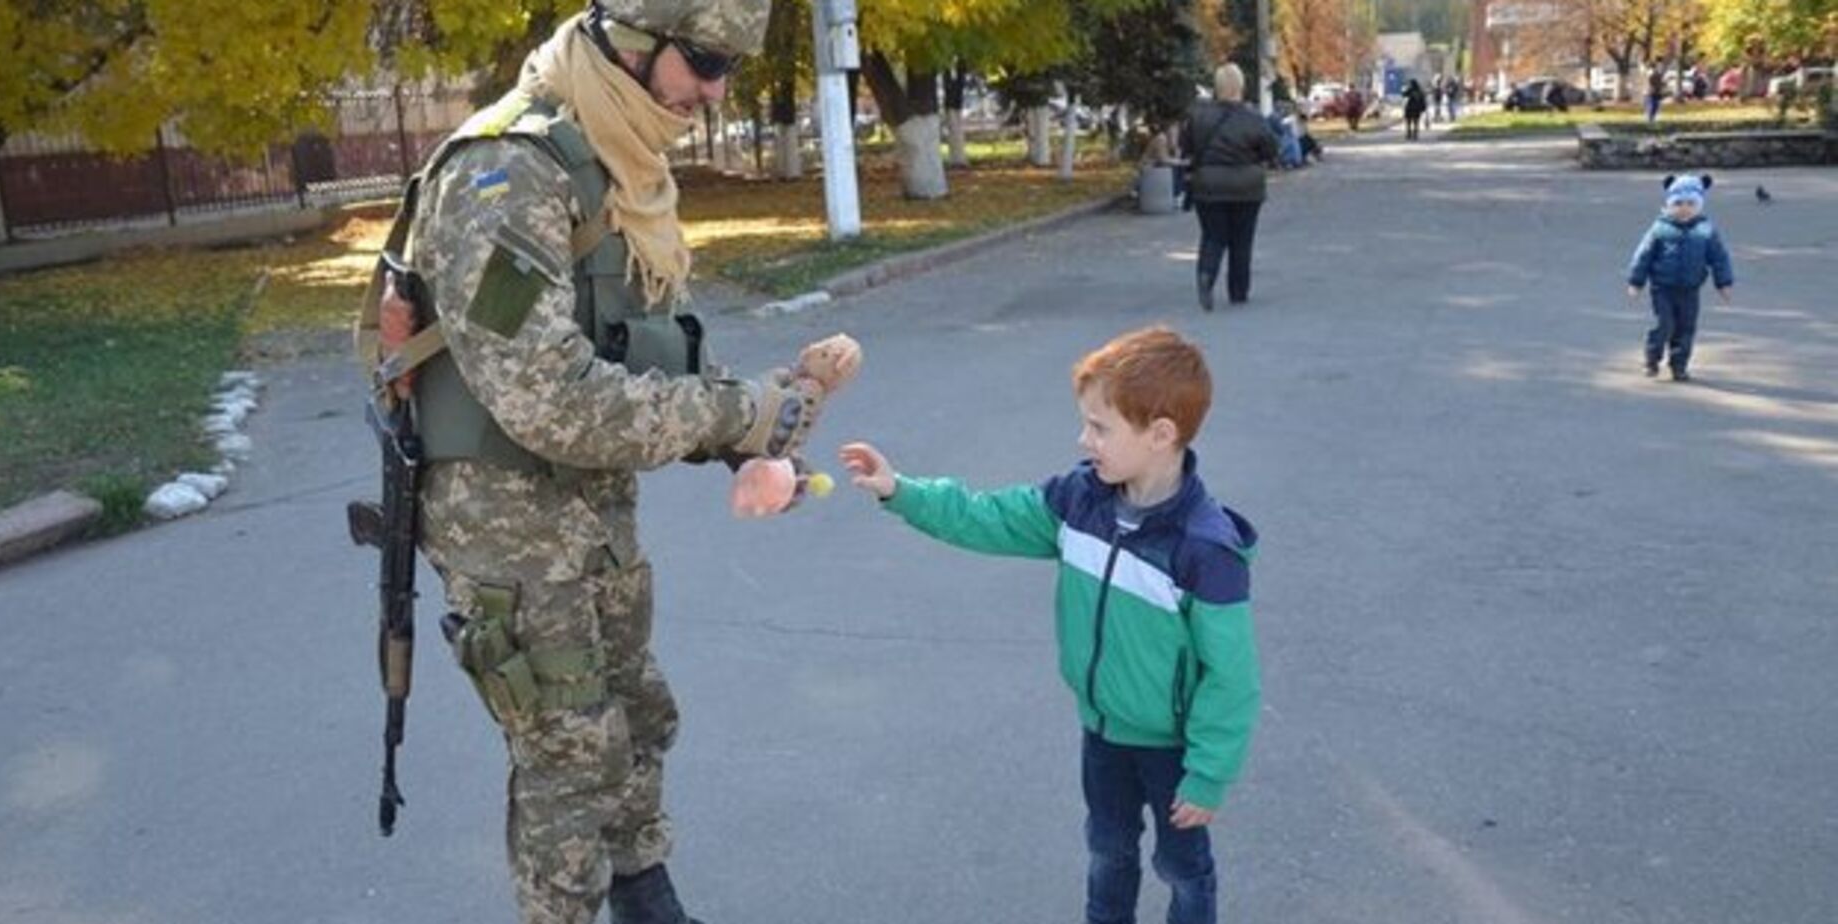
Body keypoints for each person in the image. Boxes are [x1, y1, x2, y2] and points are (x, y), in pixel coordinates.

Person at [358, 2, 861, 922]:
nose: (713, 93)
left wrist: (750, 428)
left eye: (730, 73)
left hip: (588, 506)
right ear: (630, 42)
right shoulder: (505, 172)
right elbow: (546, 393)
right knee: (569, 754)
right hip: (508, 518)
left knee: (636, 715)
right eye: (704, 62)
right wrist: (735, 414)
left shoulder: (612, 160)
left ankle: (646, 898)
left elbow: (641, 345)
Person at [838, 326, 1261, 924]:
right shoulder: (1080, 499)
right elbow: (988, 517)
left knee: (1182, 869)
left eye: (1100, 427)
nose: (1083, 439)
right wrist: (901, 491)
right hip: (1103, 731)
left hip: (1174, 748)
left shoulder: (1204, 548)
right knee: (1108, 851)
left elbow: (1232, 676)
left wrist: (1208, 774)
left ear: (1161, 435)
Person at [1180, 64, 1280, 311]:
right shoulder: (1253, 117)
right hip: (1247, 187)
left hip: (1209, 186)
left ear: (1217, 86)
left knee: (1213, 236)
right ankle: (1238, 291)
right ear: (1241, 86)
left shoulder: (1198, 115)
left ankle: (1206, 275)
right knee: (1242, 240)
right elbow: (1270, 149)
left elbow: (1187, 147)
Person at [1628, 173, 1734, 382]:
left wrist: (1724, 283)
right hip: (1663, 288)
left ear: (1699, 205)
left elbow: (1719, 258)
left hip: (1690, 289)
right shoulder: (1660, 228)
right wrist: (1636, 281)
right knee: (1665, 324)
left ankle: (1679, 365)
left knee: (1686, 328)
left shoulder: (1705, 230)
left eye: (1691, 204)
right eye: (1678, 203)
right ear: (1669, 205)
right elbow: (1643, 255)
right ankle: (1652, 358)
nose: (1684, 209)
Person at [1141, 120, 1189, 209]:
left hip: (1158, 166)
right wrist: (1180, 162)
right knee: (1176, 167)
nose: (1175, 134)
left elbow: (1174, 158)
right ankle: (1177, 195)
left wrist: (1176, 150)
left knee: (1179, 167)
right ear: (1167, 131)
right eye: (1173, 131)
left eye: (1176, 132)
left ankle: (1179, 194)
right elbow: (1163, 159)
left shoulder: (1171, 141)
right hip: (1150, 166)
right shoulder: (1161, 139)